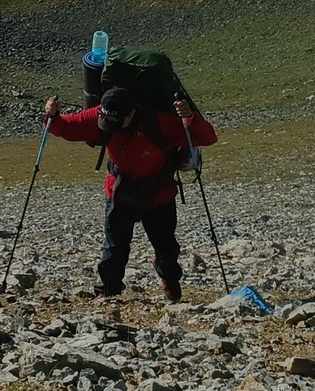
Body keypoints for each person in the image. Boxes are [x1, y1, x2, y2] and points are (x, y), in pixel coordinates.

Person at [43, 87, 217, 301]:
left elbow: (207, 138)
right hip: (120, 190)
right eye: (106, 122)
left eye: (117, 123)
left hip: (159, 192)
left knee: (166, 246)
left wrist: (189, 116)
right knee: (114, 246)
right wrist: (53, 115)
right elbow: (67, 128)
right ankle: (107, 291)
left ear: (132, 113)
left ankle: (169, 279)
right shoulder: (100, 115)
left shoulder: (159, 122)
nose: (111, 128)